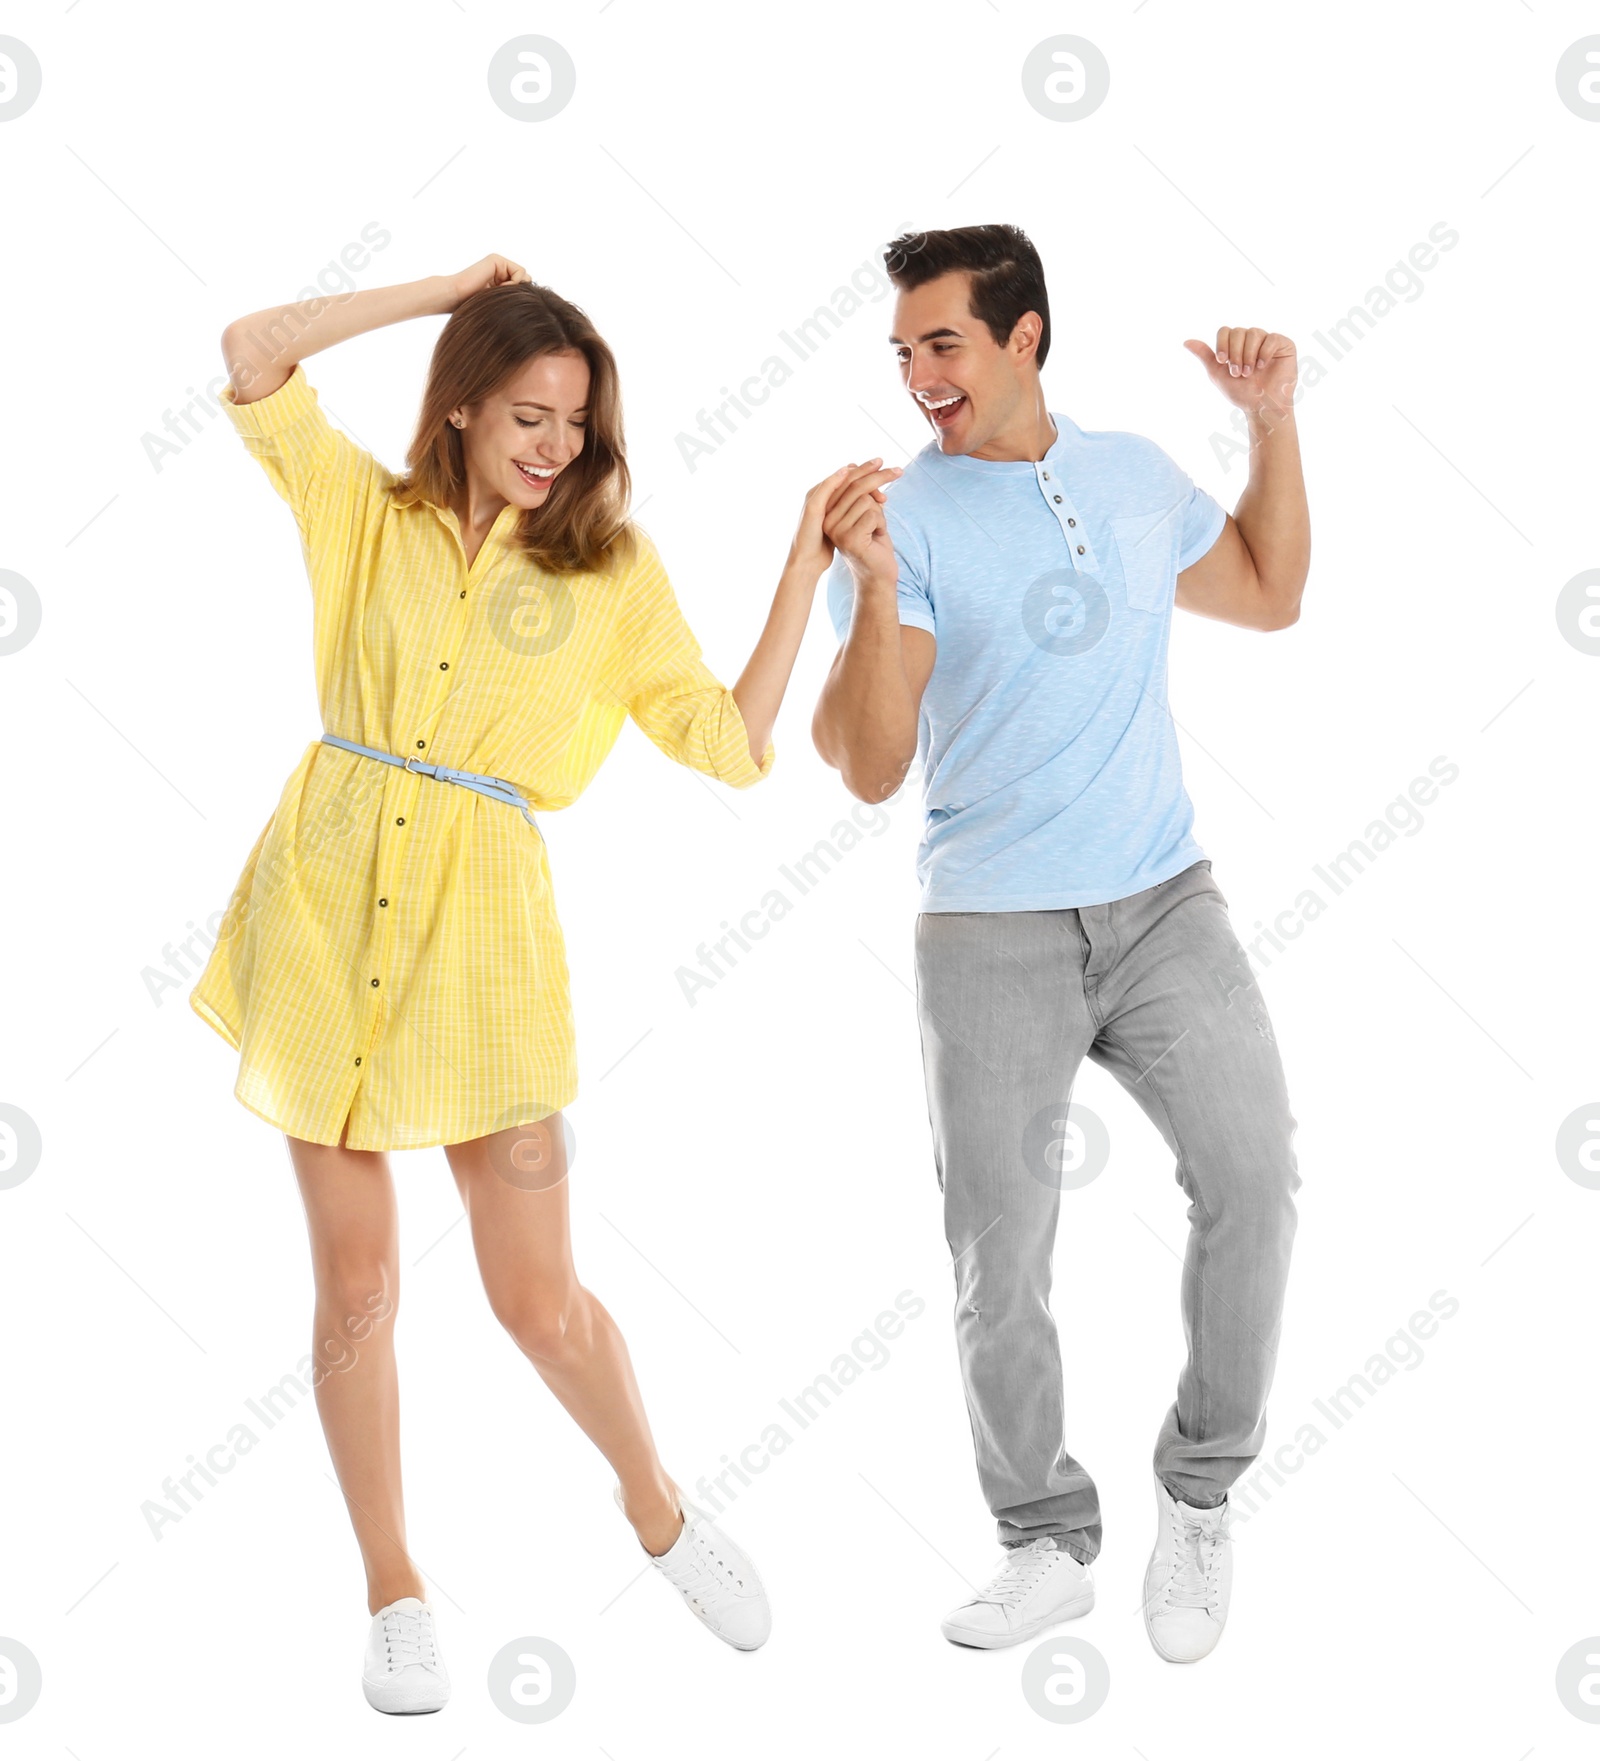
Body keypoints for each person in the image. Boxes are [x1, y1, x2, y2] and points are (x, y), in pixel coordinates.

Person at [191, 253, 883, 1713]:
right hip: (322, 919)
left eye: (574, 419)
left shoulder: (608, 574)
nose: (555, 441)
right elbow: (254, 346)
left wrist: (800, 568)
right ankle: (394, 1588)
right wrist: (444, 289)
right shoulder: (362, 513)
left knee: (539, 1298)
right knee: (358, 1287)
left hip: (484, 951)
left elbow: (735, 742)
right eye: (524, 408)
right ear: (458, 409)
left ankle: (659, 1508)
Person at [813, 223, 1310, 1664]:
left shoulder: (1137, 477)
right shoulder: (901, 516)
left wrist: (1273, 427)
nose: (916, 376)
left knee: (1255, 1181)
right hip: (988, 931)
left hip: (1165, 906)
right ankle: (1041, 1536)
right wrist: (863, 586)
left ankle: (1198, 1488)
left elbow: (1272, 595)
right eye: (902, 351)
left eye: (942, 343)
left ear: (1026, 336)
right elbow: (862, 762)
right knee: (999, 1257)